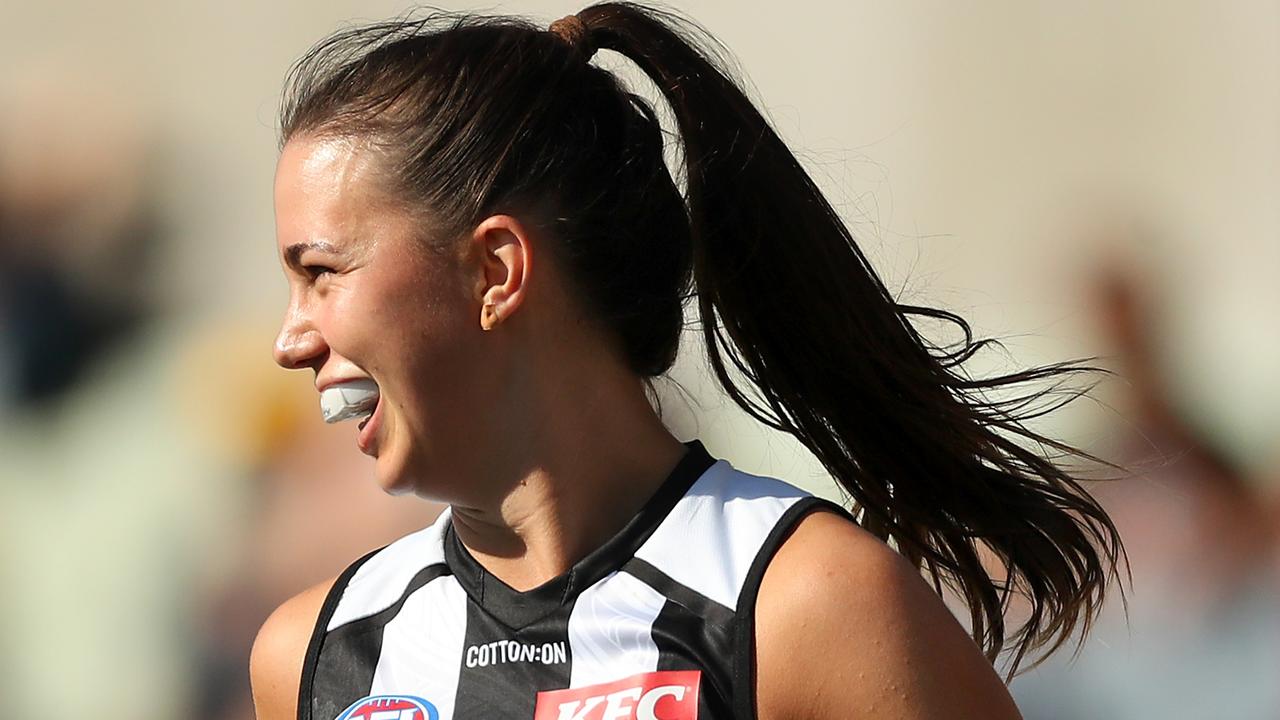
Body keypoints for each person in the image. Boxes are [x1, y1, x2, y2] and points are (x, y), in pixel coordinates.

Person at [249, 4, 1123, 719]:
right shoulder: (313, 654)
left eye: (321, 274)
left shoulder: (806, 606)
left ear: (496, 270)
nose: (291, 340)